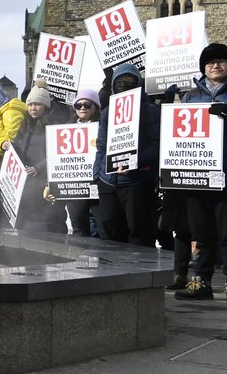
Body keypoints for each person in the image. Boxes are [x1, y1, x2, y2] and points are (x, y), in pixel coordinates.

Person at [177, 43, 227, 301]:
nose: (215, 65)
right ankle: (200, 280)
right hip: (195, 176)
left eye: (221, 61)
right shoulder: (191, 96)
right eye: (209, 62)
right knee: (200, 233)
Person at [94, 64, 160, 248]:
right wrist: (97, 176)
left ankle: (140, 276)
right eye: (120, 82)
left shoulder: (150, 110)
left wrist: (134, 162)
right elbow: (101, 145)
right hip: (108, 182)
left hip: (135, 182)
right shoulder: (108, 112)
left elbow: (156, 145)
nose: (124, 86)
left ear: (138, 84)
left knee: (139, 232)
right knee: (111, 233)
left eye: (129, 82)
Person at [6, 88, 65, 233]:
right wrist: (9, 146)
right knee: (28, 219)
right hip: (27, 181)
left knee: (48, 219)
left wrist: (39, 167)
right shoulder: (25, 124)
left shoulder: (54, 125)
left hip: (46, 180)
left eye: (37, 104)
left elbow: (59, 152)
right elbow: (20, 148)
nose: (33, 108)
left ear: (45, 106)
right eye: (30, 104)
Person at [63, 89, 101, 237]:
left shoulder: (103, 125)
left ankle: (103, 260)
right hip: (76, 185)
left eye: (87, 104)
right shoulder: (66, 128)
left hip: (97, 183)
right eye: (78, 105)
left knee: (102, 226)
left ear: (95, 106)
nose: (83, 108)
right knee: (78, 226)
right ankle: (81, 260)